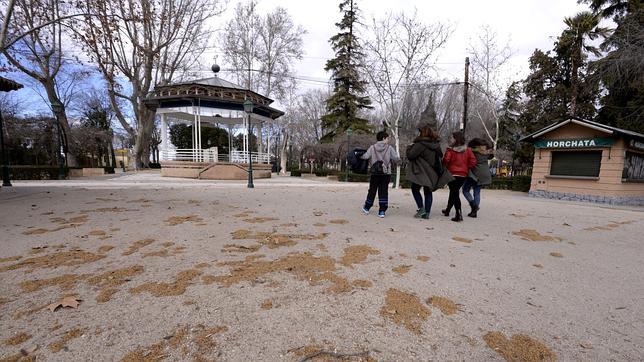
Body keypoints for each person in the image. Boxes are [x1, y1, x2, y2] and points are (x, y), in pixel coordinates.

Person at [405, 124, 452, 219]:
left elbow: (411, 156)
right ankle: (427, 213)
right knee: (428, 191)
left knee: (415, 189)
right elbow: (440, 156)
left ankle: (421, 209)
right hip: (432, 171)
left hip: (421, 171)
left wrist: (409, 147)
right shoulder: (436, 145)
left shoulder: (420, 145)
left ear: (422, 133)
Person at [361, 130, 401, 218]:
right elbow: (395, 158)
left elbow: (365, 156)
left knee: (372, 190)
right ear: (383, 138)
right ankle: (382, 211)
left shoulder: (372, 147)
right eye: (387, 138)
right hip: (386, 173)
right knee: (383, 191)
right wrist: (399, 161)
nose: (388, 140)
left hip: (375, 173)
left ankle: (367, 207)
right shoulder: (389, 148)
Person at [441, 131, 476, 222]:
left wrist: (446, 164)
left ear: (456, 139)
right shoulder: (468, 150)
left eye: (452, 137)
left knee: (454, 192)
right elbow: (473, 162)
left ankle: (458, 214)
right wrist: (466, 168)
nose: (451, 139)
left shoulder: (451, 150)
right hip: (463, 174)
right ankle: (448, 210)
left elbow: (446, 161)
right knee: (454, 192)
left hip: (452, 173)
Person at [462, 138, 493, 218]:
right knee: (477, 192)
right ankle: (474, 211)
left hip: (474, 174)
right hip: (484, 174)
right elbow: (491, 155)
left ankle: (473, 206)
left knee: (465, 190)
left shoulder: (471, 151)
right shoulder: (486, 153)